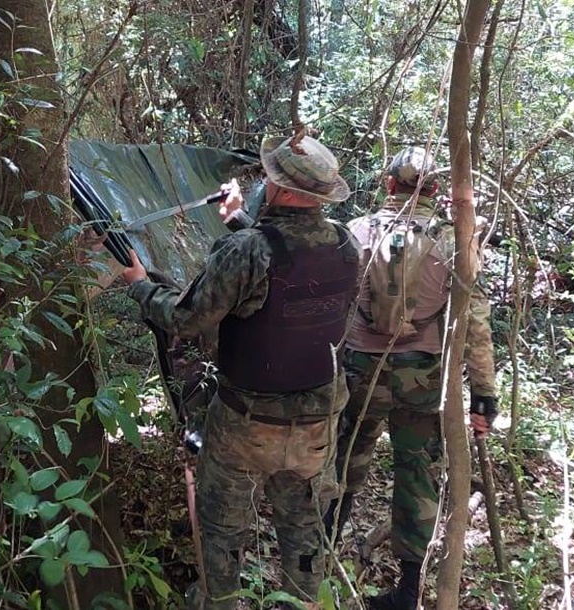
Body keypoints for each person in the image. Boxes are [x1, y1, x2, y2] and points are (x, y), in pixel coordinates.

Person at [121, 134, 362, 609]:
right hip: (316, 428)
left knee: (222, 533)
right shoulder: (346, 241)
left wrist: (141, 287)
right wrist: (237, 218)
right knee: (304, 535)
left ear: (283, 188)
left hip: (245, 426)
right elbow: (290, 271)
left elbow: (187, 319)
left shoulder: (248, 249)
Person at [323, 146, 498, 610]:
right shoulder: (453, 241)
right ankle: (407, 591)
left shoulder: (354, 231)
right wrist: (484, 393)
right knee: (418, 473)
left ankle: (316, 571)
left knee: (341, 463)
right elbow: (476, 321)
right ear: (436, 190)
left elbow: (329, 303)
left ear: (388, 185)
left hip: (360, 369)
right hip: (422, 375)